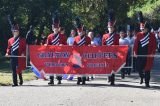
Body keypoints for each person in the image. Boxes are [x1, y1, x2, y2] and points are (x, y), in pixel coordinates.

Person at [134, 11, 157, 87]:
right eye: (141, 29)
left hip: (148, 56)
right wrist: (135, 52)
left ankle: (147, 83)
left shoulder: (152, 35)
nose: (142, 30)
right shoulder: (138, 35)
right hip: (140, 55)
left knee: (147, 70)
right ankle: (141, 77)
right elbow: (136, 45)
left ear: (147, 29)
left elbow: (154, 46)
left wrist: (152, 54)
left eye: (143, 29)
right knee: (139, 69)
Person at [46, 12, 67, 85]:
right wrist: (46, 46)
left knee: (59, 67)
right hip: (51, 54)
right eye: (54, 28)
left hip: (60, 54)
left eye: (57, 28)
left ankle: (59, 79)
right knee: (51, 67)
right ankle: (51, 79)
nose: (56, 29)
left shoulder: (63, 36)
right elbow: (48, 45)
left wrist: (62, 45)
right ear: (52, 28)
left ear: (59, 28)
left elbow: (66, 45)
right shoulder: (49, 36)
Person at [102, 9, 119, 85]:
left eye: (111, 28)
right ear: (107, 28)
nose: (110, 29)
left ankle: (112, 80)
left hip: (114, 53)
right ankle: (109, 77)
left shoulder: (116, 36)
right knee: (108, 67)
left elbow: (117, 45)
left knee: (113, 67)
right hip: (106, 53)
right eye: (109, 28)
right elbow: (103, 45)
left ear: (114, 28)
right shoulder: (104, 36)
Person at [5, 22, 26, 87]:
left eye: (17, 31)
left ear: (18, 32)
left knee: (18, 69)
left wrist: (23, 53)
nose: (16, 32)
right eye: (14, 31)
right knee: (13, 70)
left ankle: (21, 79)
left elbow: (25, 49)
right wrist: (7, 53)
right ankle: (15, 83)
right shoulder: (10, 40)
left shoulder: (22, 40)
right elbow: (8, 48)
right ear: (13, 32)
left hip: (19, 57)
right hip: (12, 56)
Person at [73, 17, 91, 85]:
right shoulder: (76, 38)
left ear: (84, 32)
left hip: (85, 55)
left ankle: (83, 79)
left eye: (81, 31)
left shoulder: (88, 38)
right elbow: (73, 46)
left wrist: (89, 46)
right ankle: (78, 79)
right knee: (78, 68)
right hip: (77, 55)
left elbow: (90, 46)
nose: (80, 33)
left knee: (84, 68)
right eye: (78, 31)